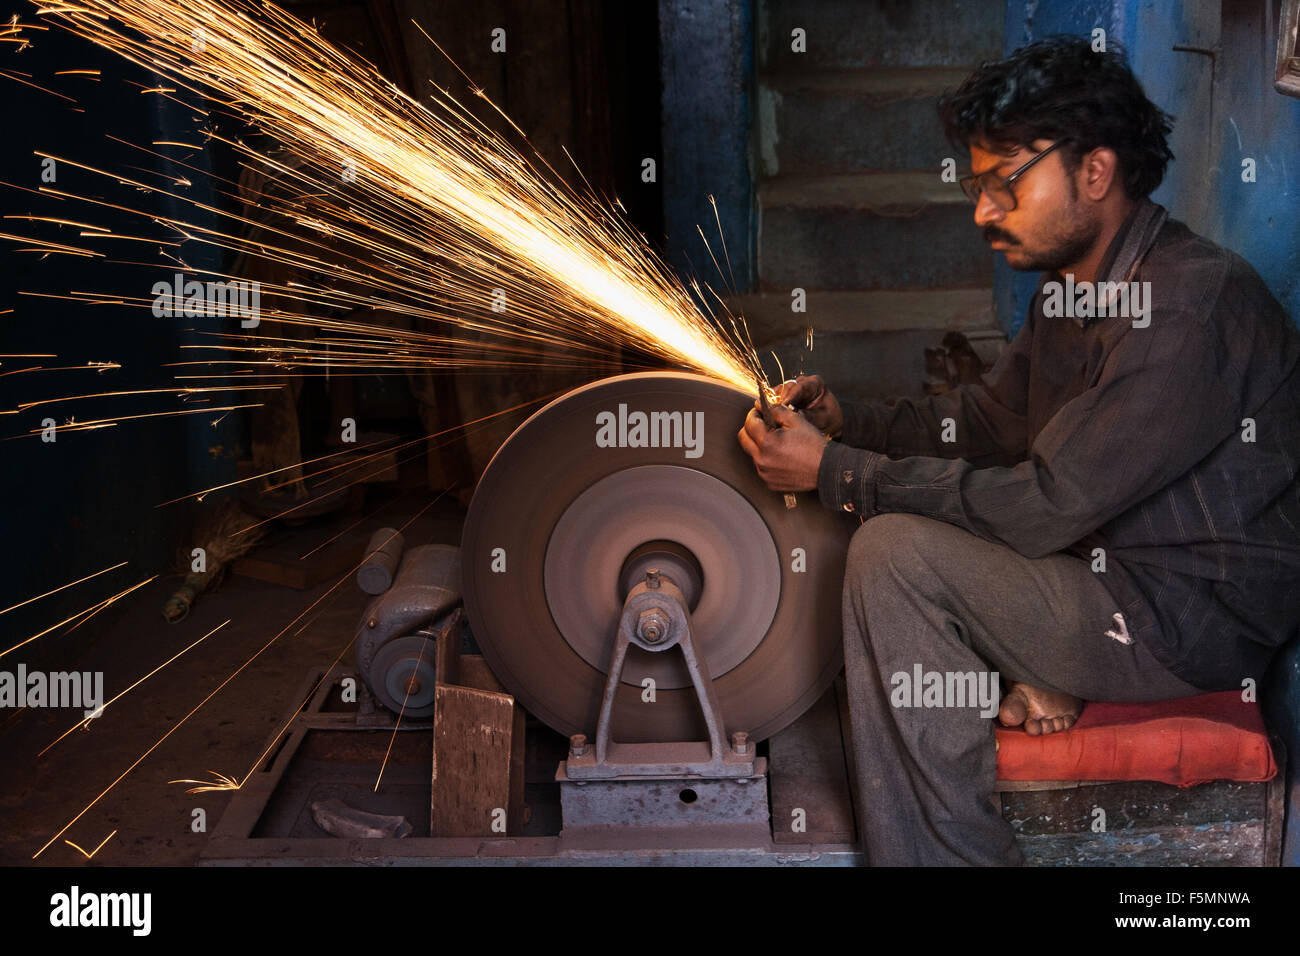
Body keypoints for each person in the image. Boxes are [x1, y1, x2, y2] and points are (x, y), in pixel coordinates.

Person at [736, 36, 1300, 866]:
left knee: (894, 555)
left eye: (1006, 184)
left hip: (1182, 618)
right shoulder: (1076, 288)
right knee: (905, 525)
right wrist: (853, 424)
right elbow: (992, 425)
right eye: (977, 185)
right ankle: (1029, 679)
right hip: (1109, 567)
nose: (982, 211)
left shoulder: (1186, 309)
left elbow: (1045, 505)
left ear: (1096, 172)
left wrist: (836, 474)